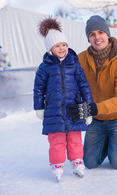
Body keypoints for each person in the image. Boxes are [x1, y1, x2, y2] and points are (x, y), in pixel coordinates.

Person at [67, 15, 117, 170]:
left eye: (100, 32)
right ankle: (109, 140)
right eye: (92, 34)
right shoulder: (80, 59)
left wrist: (93, 108)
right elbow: (71, 84)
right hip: (96, 119)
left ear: (108, 34)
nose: (97, 37)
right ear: (88, 38)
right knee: (90, 163)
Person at [33, 17, 94, 182]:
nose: (62, 48)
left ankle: (76, 161)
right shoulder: (44, 67)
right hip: (53, 111)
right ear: (50, 49)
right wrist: (39, 107)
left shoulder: (74, 64)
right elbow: (38, 88)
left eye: (64, 45)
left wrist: (88, 109)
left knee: (75, 138)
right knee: (56, 140)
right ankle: (57, 164)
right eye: (58, 45)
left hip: (73, 109)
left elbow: (84, 86)